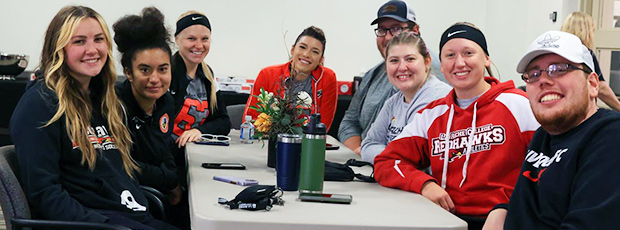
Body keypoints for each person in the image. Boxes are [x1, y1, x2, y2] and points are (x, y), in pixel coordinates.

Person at [9, 6, 178, 229]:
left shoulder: (101, 100)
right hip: (96, 223)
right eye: (79, 41)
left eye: (98, 39)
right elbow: (44, 194)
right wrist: (103, 224)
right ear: (59, 48)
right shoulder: (40, 106)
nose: (93, 50)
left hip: (129, 216)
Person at [373, 22, 539, 229]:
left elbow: (552, 167)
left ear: (486, 58)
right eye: (450, 55)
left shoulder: (519, 105)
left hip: (503, 221)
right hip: (444, 220)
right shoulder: (432, 114)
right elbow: (386, 162)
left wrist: (512, 208)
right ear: (440, 65)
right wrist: (424, 184)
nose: (459, 63)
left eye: (468, 53)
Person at [496, 30, 620, 230]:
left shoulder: (610, 137)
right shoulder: (544, 135)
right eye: (533, 74)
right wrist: (502, 208)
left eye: (560, 68)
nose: (543, 80)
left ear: (593, 84)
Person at [339, 0, 447, 155]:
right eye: (382, 30)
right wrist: (361, 153)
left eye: (396, 29)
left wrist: (373, 153)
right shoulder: (374, 75)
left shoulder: (440, 72)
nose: (388, 37)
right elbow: (350, 121)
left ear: (415, 30)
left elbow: (411, 151)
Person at [113, 6, 182, 206]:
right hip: (130, 196)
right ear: (128, 72)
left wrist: (174, 180)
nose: (155, 79)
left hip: (159, 189)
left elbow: (164, 148)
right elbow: (124, 165)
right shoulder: (114, 106)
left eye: (163, 69)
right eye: (145, 70)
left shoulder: (166, 101)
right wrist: (169, 180)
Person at [360, 32, 451, 163]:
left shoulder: (439, 98)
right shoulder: (393, 102)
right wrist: (392, 157)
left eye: (410, 59)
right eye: (394, 60)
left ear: (427, 62)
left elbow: (410, 155)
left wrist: (385, 157)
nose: (402, 67)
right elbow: (368, 145)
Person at [243, 26, 338, 130]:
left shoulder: (328, 78)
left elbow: (322, 126)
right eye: (302, 47)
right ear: (292, 50)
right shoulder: (267, 74)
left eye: (315, 52)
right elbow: (251, 120)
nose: (306, 54)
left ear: (321, 59)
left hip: (307, 142)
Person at [171, 10, 231, 149]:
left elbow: (223, 121)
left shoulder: (207, 74)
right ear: (177, 39)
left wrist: (199, 131)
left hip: (196, 153)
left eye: (204, 39)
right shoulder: (166, 72)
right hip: (169, 155)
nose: (199, 46)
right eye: (191, 39)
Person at [561, 11, 620, 111]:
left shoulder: (557, 53)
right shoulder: (584, 54)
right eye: (592, 31)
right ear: (585, 32)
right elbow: (601, 88)